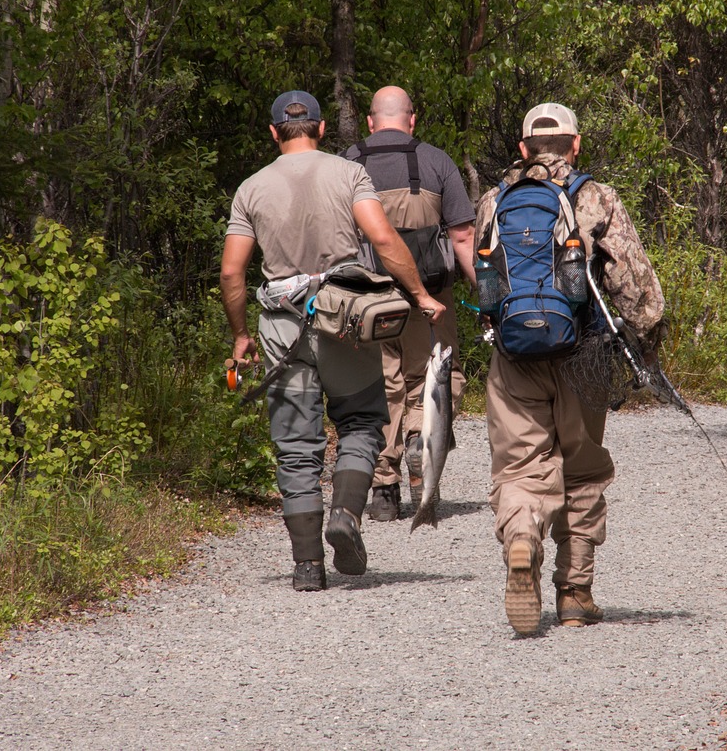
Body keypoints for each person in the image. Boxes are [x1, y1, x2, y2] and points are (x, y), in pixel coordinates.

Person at [220, 90, 445, 592]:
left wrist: (240, 335)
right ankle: (344, 514)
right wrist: (420, 294)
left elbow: (232, 272)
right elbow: (384, 240)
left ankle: (307, 567)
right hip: (342, 319)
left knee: (296, 447)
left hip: (282, 329)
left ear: (274, 132)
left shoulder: (250, 188)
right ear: (321, 129)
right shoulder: (348, 174)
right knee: (363, 422)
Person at [474, 102, 666, 634]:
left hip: (514, 356)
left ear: (523, 149)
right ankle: (576, 594)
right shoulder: (595, 197)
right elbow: (641, 292)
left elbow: (484, 282)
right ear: (575, 145)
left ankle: (521, 538)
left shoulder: (493, 201)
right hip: (584, 354)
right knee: (581, 469)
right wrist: (645, 346)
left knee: (519, 467)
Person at [340, 86, 477, 521]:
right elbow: (462, 237)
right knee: (438, 374)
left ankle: (383, 490)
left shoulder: (347, 162)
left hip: (368, 299)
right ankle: (421, 437)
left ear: (370, 121)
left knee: (381, 385)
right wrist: (488, 295)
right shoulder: (436, 161)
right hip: (429, 296)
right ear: (412, 120)